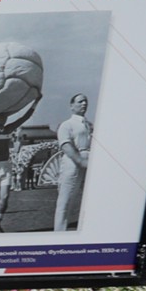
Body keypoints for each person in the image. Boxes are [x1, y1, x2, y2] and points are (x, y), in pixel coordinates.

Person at [55, 93, 92, 232]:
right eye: (80, 101)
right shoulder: (67, 124)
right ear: (71, 106)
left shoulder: (88, 125)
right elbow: (66, 145)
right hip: (73, 163)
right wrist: (80, 161)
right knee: (65, 202)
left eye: (85, 101)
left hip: (88, 161)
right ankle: (59, 234)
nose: (84, 104)